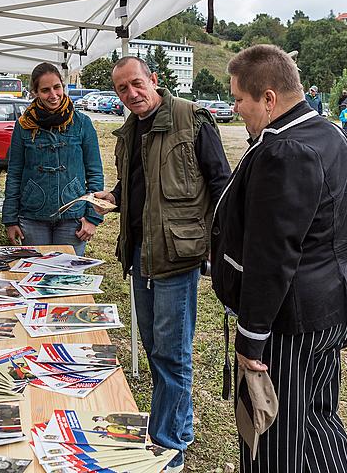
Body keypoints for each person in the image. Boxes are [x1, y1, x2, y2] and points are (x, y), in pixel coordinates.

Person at [212, 44, 347, 472]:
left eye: (239, 99)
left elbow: (272, 254)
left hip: (291, 320)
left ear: (268, 98)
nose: (235, 107)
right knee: (318, 421)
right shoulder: (331, 132)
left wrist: (251, 336)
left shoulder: (285, 149)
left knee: (273, 436)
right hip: (331, 308)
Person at [92, 56, 231, 473]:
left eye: (136, 84)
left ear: (154, 80)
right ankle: (178, 423)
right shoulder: (129, 131)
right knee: (154, 346)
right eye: (121, 89)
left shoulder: (193, 119)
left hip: (177, 254)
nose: (131, 94)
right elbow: (137, 183)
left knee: (172, 352)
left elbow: (222, 184)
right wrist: (114, 198)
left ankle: (170, 445)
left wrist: (215, 246)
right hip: (138, 252)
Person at [2, 62, 104, 256]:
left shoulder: (82, 123)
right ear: (35, 92)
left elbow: (95, 174)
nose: (53, 95)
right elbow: (14, 174)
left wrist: (92, 217)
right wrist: (10, 219)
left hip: (73, 216)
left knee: (66, 278)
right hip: (32, 216)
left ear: (63, 86)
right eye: (45, 90)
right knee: (34, 275)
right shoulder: (24, 126)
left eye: (57, 87)